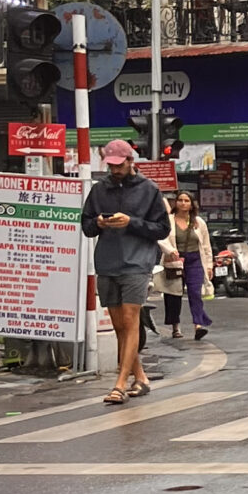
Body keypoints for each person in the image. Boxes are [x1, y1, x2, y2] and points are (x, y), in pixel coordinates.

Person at [80, 141, 171, 404]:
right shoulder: (100, 190)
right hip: (107, 262)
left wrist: (131, 223)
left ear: (131, 161)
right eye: (111, 165)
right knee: (120, 325)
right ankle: (140, 377)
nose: (116, 169)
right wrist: (98, 222)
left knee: (131, 320)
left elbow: (162, 229)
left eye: (120, 164)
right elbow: (86, 225)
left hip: (137, 263)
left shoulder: (149, 190)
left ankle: (119, 384)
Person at [162, 190, 214, 340]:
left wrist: (209, 265)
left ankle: (198, 325)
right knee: (173, 294)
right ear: (176, 203)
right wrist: (170, 250)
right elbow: (162, 239)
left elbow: (206, 246)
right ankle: (175, 326)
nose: (183, 203)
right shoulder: (169, 220)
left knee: (195, 292)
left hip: (195, 260)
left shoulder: (199, 222)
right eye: (180, 200)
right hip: (175, 261)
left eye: (187, 201)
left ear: (192, 204)